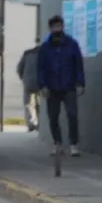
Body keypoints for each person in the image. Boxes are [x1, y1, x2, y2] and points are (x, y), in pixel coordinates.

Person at [37, 16, 85, 157]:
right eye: (54, 27)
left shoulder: (72, 44)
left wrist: (80, 83)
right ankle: (57, 143)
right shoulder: (45, 48)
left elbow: (78, 65)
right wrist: (42, 85)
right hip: (52, 87)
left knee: (72, 115)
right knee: (53, 116)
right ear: (50, 29)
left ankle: (73, 144)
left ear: (63, 27)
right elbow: (41, 68)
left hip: (68, 86)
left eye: (59, 26)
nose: (57, 29)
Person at [16, 37, 41, 132]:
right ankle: (40, 124)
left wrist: (23, 78)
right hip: (41, 83)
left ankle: (30, 124)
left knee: (27, 104)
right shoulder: (46, 53)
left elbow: (19, 68)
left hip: (28, 82)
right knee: (40, 104)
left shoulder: (27, 53)